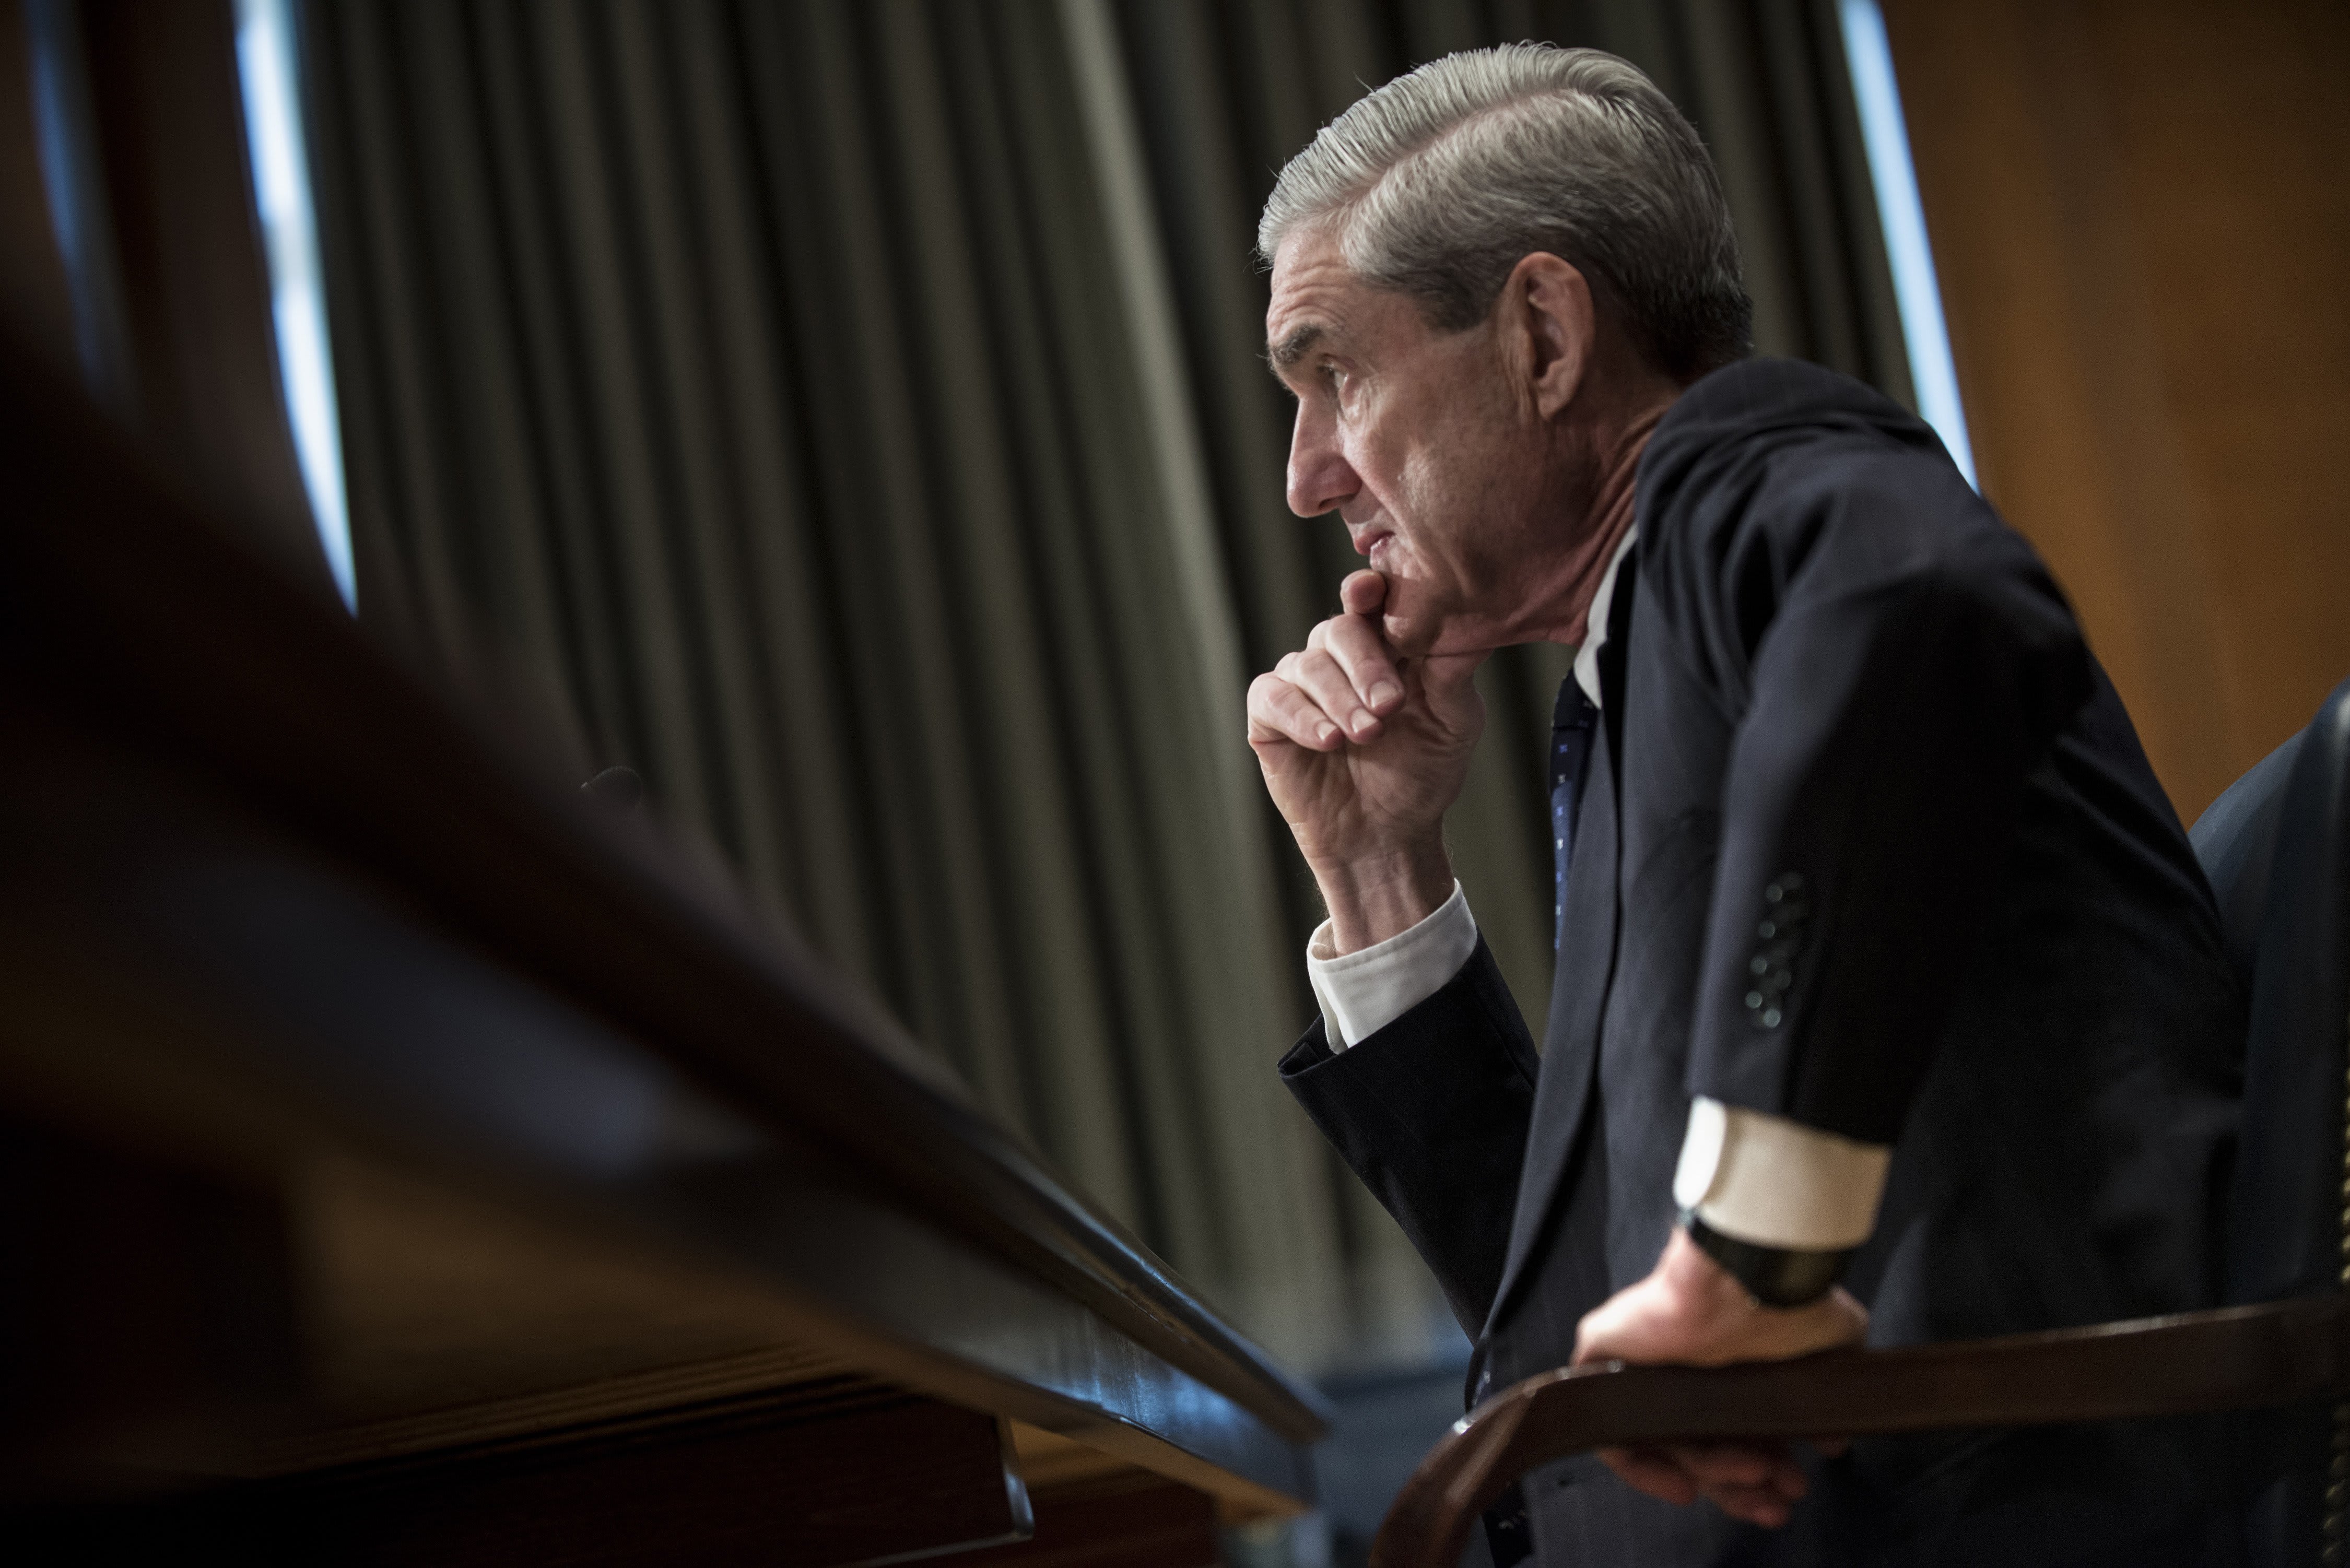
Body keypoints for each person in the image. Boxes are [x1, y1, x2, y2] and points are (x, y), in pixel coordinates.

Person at [1246, 44, 2241, 1565]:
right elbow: (1577, 1315)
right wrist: (1381, 881)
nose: (1310, 474)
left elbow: (1928, 606)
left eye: (1338, 373)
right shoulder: (1644, 671)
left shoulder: (1741, 469)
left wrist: (1754, 1239)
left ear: (1540, 334)